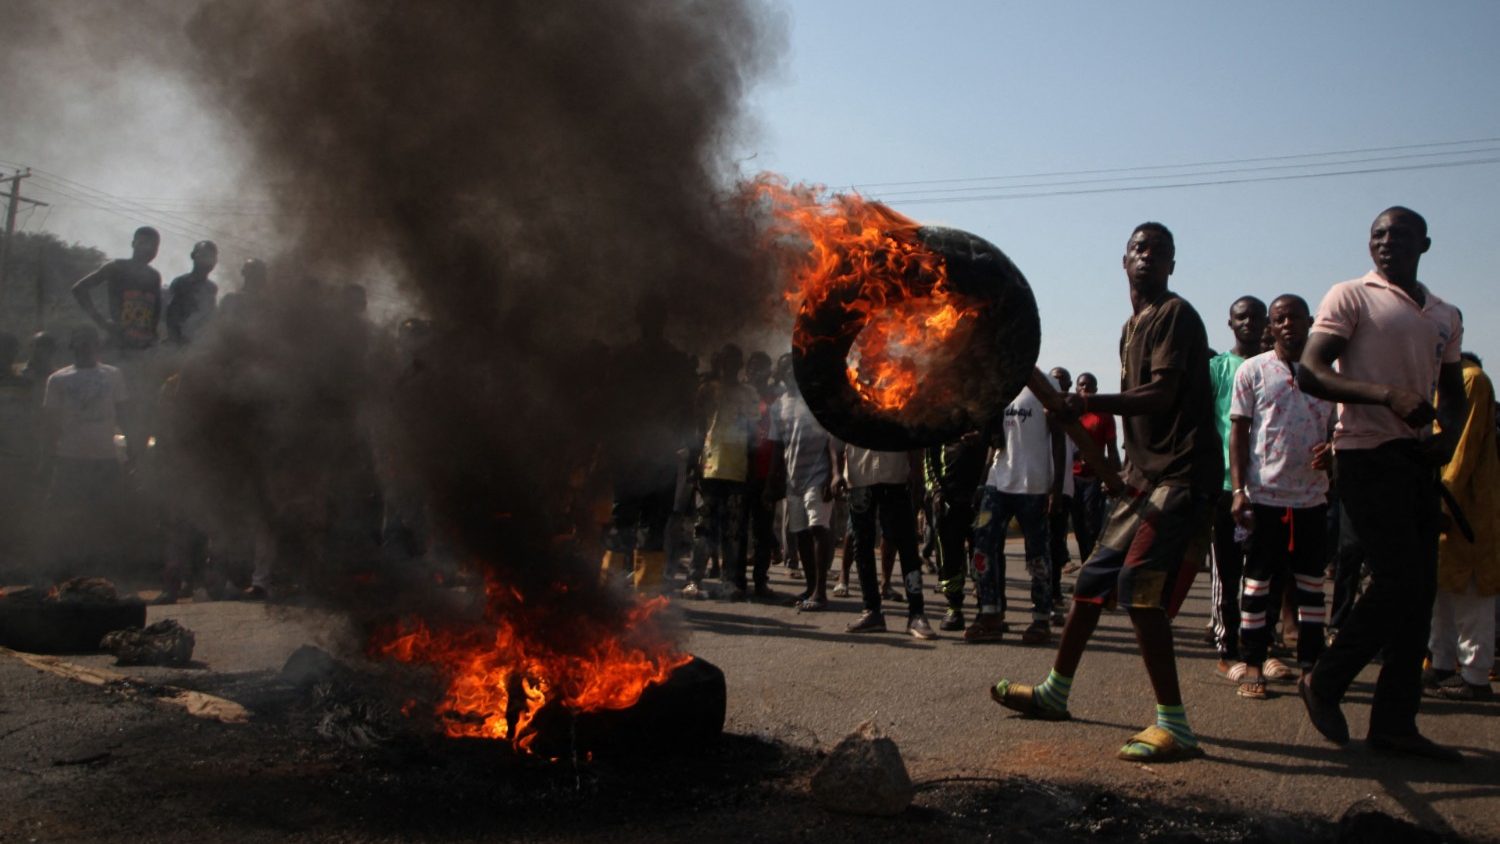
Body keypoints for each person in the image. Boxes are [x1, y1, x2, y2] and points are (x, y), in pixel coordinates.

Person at [991, 222, 1218, 763]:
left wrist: (1088, 404)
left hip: (1183, 473)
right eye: (1139, 249)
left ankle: (1176, 725)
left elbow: (1161, 396)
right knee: (1092, 581)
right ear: (1124, 261)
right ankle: (1055, 692)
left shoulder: (1175, 315)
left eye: (1159, 252)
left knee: (1138, 584)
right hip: (1145, 477)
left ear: (1172, 265)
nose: (1148, 257)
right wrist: (1124, 470)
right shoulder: (1130, 327)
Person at [1296, 206, 1466, 762]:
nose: (1386, 241)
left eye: (1400, 234)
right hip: (1364, 453)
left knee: (1419, 593)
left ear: (1425, 243)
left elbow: (1452, 391)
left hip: (1417, 461)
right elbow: (1310, 371)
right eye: (1378, 234)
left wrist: (1449, 436)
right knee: (1398, 580)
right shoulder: (1351, 295)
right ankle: (1324, 680)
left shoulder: (1444, 313)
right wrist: (1386, 396)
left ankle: (1395, 724)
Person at [1226, 294, 1335, 699]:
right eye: (1280, 318)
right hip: (1264, 497)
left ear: (1310, 322)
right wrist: (1239, 490)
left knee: (1311, 589)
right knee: (1256, 586)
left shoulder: (1327, 375)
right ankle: (1253, 662)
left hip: (1312, 498)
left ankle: (1311, 666)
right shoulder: (1253, 371)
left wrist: (1333, 450)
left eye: (1295, 317)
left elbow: (1340, 428)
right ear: (1270, 327)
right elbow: (1238, 434)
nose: (1288, 324)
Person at [602, 302, 696, 592]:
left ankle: (619, 592)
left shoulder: (629, 358)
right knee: (641, 523)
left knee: (637, 522)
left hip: (645, 452)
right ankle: (635, 592)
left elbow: (687, 409)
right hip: (647, 452)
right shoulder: (671, 360)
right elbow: (688, 409)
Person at [965, 374, 1065, 645]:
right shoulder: (1001, 383)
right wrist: (982, 479)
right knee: (982, 547)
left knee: (1037, 555)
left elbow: (1058, 437)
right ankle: (990, 615)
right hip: (998, 480)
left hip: (1033, 484)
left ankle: (1041, 619)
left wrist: (1056, 488)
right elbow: (996, 439)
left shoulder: (1046, 384)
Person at [1425, 352, 1497, 701]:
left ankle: (1475, 675)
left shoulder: (1470, 380)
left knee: (1471, 590)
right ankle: (1441, 664)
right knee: (1442, 587)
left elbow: (1462, 451)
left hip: (1466, 504)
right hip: (1439, 500)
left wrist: (1443, 500)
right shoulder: (1432, 380)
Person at [1208, 296, 1268, 682]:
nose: (1249, 322)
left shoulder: (1275, 366)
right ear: (1230, 323)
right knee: (1226, 573)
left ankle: (1259, 646)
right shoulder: (1217, 368)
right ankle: (1227, 646)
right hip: (1227, 485)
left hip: (1268, 485)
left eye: (1256, 317)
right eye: (1241, 317)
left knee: (1262, 571)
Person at [40, 327, 130, 583]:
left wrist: (133, 451)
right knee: (64, 515)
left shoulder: (113, 375)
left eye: (90, 343)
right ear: (73, 347)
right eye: (80, 343)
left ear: (97, 346)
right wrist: (47, 458)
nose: (85, 348)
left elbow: (124, 415)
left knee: (107, 514)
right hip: (69, 457)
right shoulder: (58, 379)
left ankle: (105, 571)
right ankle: (65, 570)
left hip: (105, 458)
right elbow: (50, 424)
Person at [683, 344, 758, 599]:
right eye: (726, 361)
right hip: (710, 467)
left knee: (733, 529)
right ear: (720, 363)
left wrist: (752, 467)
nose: (730, 366)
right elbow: (698, 428)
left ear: (739, 364)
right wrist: (693, 463)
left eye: (734, 361)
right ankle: (694, 579)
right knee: (703, 527)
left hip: (737, 469)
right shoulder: (708, 390)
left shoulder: (749, 393)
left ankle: (729, 581)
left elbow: (753, 434)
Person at [839, 445, 936, 638]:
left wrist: (917, 468)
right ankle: (871, 611)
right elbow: (837, 438)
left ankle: (916, 613)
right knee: (862, 545)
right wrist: (836, 472)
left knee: (907, 544)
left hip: (896, 475)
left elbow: (912, 433)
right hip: (860, 474)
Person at [766, 369, 842, 612]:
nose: (790, 375)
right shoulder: (778, 406)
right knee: (800, 533)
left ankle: (821, 592)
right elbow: (778, 446)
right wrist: (773, 479)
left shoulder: (815, 400)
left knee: (818, 528)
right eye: (785, 371)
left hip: (818, 475)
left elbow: (832, 438)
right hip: (794, 479)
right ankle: (810, 588)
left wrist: (834, 474)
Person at [923, 432, 988, 630]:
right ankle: (954, 607)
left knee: (983, 554)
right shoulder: (940, 423)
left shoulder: (984, 419)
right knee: (948, 557)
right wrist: (935, 491)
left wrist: (981, 437)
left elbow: (999, 447)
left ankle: (986, 609)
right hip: (949, 500)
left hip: (982, 498)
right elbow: (928, 460)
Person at [1068, 372, 1119, 568]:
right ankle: (1085, 565)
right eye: (1081, 385)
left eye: (1089, 386)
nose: (1085, 389)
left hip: (1094, 477)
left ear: (1096, 390)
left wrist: (1113, 478)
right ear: (1076, 388)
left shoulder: (1104, 415)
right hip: (1072, 477)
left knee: (1092, 524)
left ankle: (1093, 566)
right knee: (1078, 525)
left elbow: (1112, 449)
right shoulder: (1071, 413)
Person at [742, 351, 781, 599]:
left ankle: (760, 581)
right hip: (740, 470)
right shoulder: (740, 394)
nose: (757, 372)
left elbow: (779, 441)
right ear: (747, 370)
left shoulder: (775, 398)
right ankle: (736, 580)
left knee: (763, 530)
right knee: (738, 527)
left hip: (765, 472)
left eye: (762, 368)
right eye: (753, 367)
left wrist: (775, 476)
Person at [1046, 366, 1077, 625]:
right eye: (1053, 380)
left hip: (1063, 487)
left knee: (1056, 543)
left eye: (1062, 381)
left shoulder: (1070, 413)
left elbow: (1076, 449)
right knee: (1042, 545)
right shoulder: (1042, 409)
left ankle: (1054, 592)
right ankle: (1045, 595)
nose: (1057, 384)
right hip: (1040, 485)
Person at [164, 240, 220, 346]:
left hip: (199, 344)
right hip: (179, 342)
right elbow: (171, 314)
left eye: (212, 257)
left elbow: (209, 318)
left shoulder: (211, 288)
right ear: (193, 256)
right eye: (204, 256)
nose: (207, 261)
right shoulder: (181, 283)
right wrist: (176, 339)